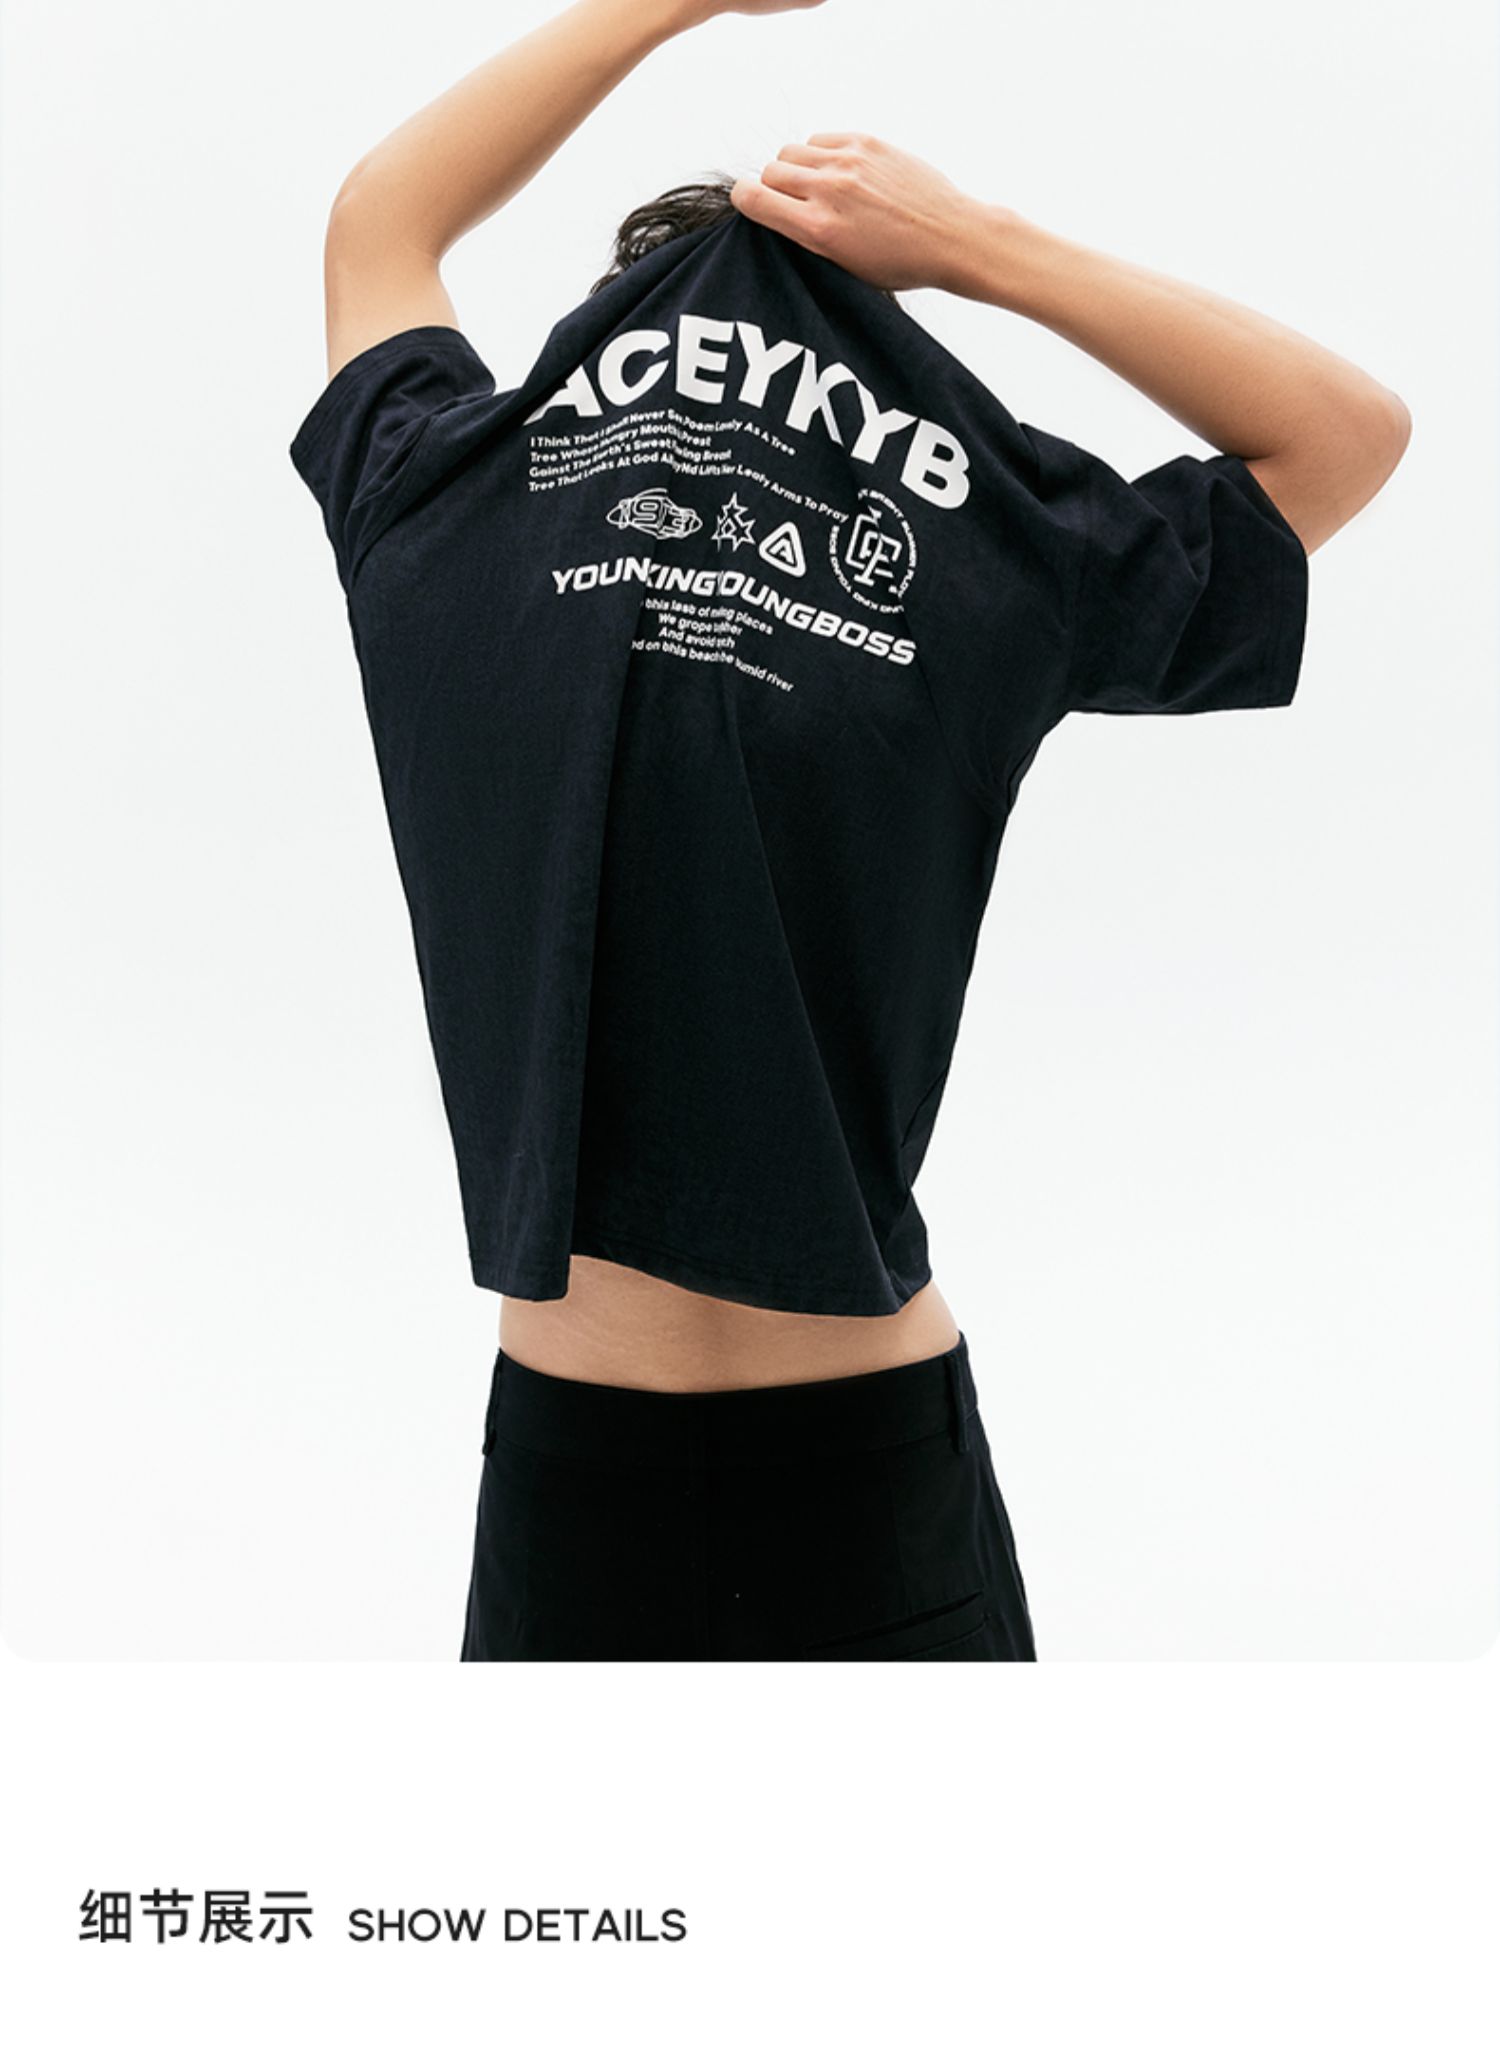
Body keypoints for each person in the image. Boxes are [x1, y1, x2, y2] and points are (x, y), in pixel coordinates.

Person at [289, 0, 1409, 1662]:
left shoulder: (451, 503)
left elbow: (379, 224)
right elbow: (1346, 435)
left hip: (663, 1467)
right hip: (804, 1466)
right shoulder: (964, 556)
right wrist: (968, 246)